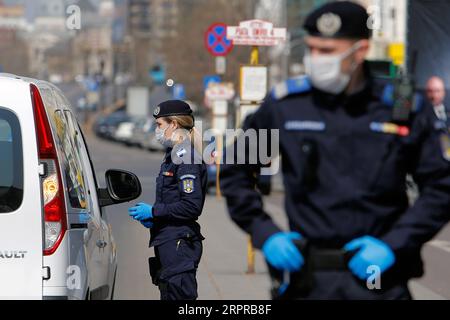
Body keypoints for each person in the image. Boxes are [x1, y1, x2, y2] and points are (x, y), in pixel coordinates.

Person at [220, 1, 450, 300]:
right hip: (308, 280)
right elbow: (236, 168)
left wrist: (395, 244)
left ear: (360, 51)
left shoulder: (401, 109)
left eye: (327, 51)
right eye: (312, 49)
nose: (316, 59)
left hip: (379, 281)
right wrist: (266, 234)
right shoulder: (285, 107)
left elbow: (441, 187)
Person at [128, 100, 207, 300]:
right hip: (169, 240)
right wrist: (155, 218)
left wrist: (154, 212)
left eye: (159, 125)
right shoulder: (173, 155)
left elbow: (191, 206)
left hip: (179, 243)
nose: (157, 130)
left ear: (174, 125)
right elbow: (173, 200)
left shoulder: (185, 157)